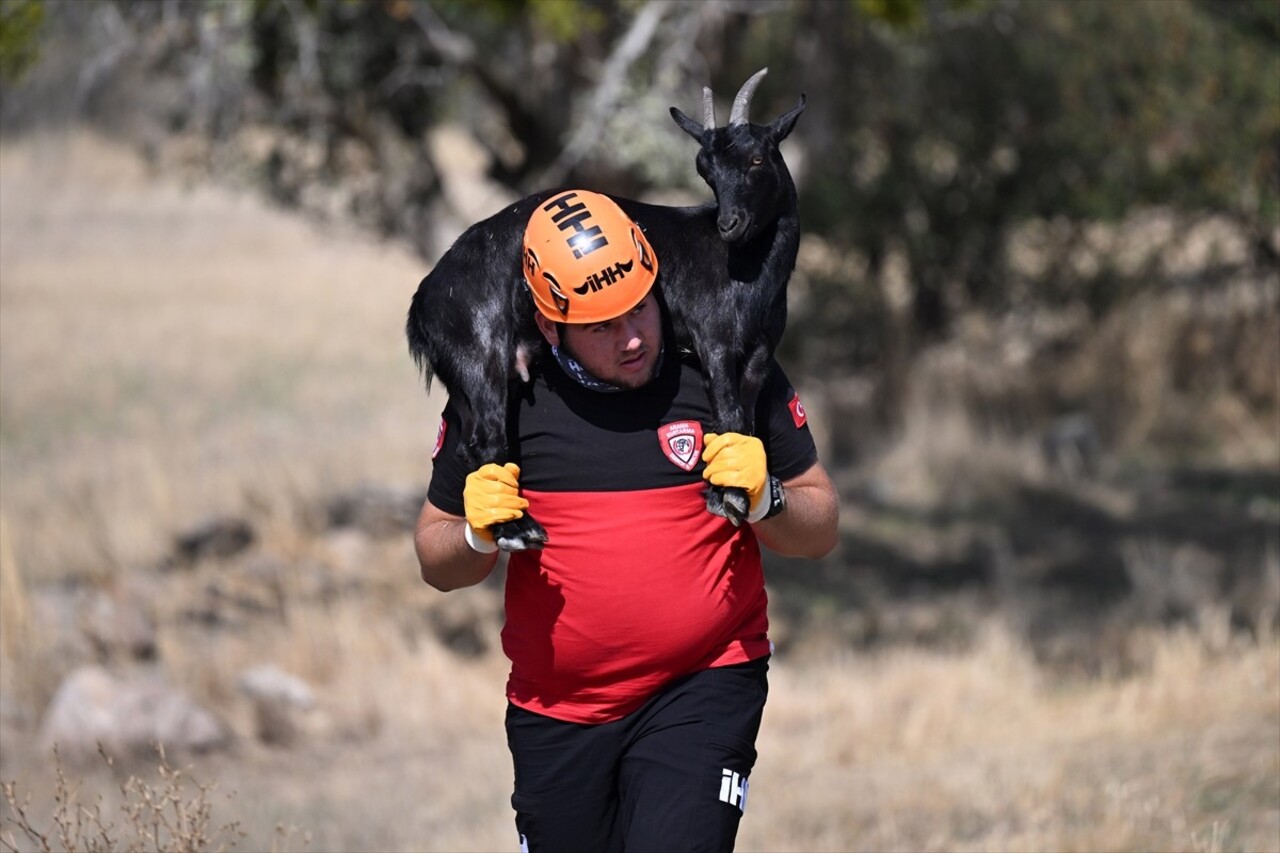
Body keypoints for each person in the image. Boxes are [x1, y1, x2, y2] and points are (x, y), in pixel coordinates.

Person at [414, 189, 839, 853]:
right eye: (602, 326)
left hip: (703, 683)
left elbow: (821, 526)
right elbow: (435, 557)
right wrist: (475, 534)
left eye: (640, 307)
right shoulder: (505, 397)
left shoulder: (724, 359)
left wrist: (767, 501)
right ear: (549, 326)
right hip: (556, 713)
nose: (633, 336)